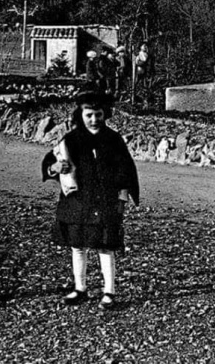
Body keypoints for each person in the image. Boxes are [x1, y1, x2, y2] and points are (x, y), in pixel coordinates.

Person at [42, 91, 139, 309]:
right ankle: (80, 288)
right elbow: (51, 162)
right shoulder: (71, 140)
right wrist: (54, 168)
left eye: (98, 114)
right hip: (77, 201)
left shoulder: (113, 140)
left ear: (105, 114)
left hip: (104, 200)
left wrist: (121, 200)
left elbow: (125, 171)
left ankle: (109, 291)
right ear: (81, 115)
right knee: (78, 245)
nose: (94, 120)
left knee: (105, 245)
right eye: (89, 115)